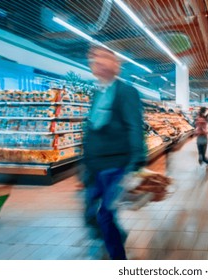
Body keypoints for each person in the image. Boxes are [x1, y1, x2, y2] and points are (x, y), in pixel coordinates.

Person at [83, 46, 147, 259]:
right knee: (91, 214)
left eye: (103, 57)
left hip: (116, 164)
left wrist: (137, 161)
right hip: (94, 165)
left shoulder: (126, 92)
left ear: (116, 65)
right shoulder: (96, 92)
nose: (97, 61)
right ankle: (117, 234)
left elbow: (134, 126)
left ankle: (118, 259)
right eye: (93, 59)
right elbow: (91, 126)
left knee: (105, 214)